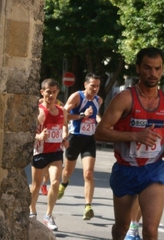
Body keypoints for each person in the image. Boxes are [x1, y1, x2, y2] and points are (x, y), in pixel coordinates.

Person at [94, 47, 164, 240]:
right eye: (148, 68)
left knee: (150, 230)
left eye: (158, 69)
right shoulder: (125, 98)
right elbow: (99, 133)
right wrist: (134, 136)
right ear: (138, 69)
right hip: (125, 169)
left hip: (153, 169)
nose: (153, 73)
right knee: (121, 228)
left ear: (163, 70)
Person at [58, 73, 103, 220]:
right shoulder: (77, 97)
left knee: (88, 173)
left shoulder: (99, 100)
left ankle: (88, 206)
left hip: (89, 140)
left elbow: (96, 115)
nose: (95, 88)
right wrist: (82, 115)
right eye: (92, 85)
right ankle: (64, 183)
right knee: (67, 171)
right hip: (74, 138)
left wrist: (100, 121)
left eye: (97, 86)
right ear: (85, 85)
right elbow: (62, 115)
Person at [29, 79, 69, 231]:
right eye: (48, 92)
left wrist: (65, 138)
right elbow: (28, 131)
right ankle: (32, 212)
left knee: (54, 183)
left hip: (56, 152)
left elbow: (64, 127)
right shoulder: (38, 111)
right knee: (35, 186)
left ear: (58, 92)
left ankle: (48, 215)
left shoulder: (61, 111)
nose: (51, 95)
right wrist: (38, 137)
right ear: (42, 92)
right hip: (40, 152)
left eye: (54, 92)